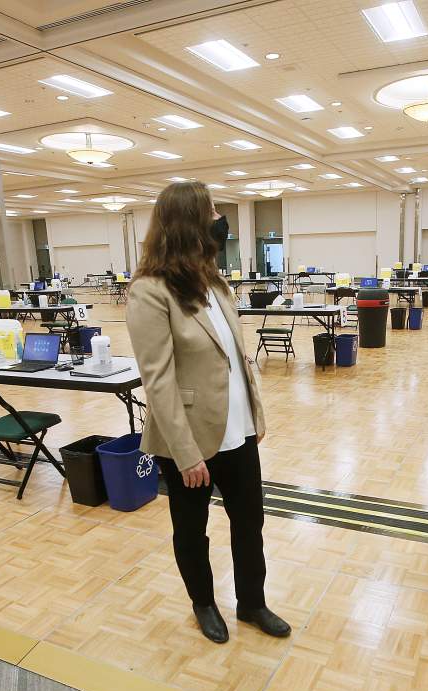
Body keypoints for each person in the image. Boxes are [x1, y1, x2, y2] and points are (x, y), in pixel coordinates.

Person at [126, 180, 290, 644]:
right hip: (190, 440)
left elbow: (236, 359)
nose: (219, 219)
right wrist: (185, 452)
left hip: (236, 431)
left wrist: (253, 417)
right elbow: (157, 380)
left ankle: (252, 603)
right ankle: (203, 602)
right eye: (212, 210)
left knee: (249, 522)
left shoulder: (214, 282)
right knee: (192, 529)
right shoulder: (150, 292)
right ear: (188, 222)